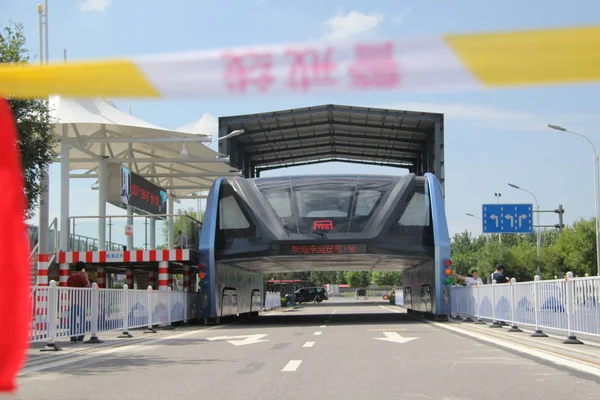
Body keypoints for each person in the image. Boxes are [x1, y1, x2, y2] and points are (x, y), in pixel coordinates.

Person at [67, 262, 90, 343]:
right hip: (81, 301)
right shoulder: (81, 277)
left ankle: (72, 336)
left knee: (72, 319)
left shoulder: (70, 277)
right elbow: (88, 286)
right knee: (82, 319)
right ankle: (81, 335)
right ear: (82, 268)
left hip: (72, 301)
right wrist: (86, 277)